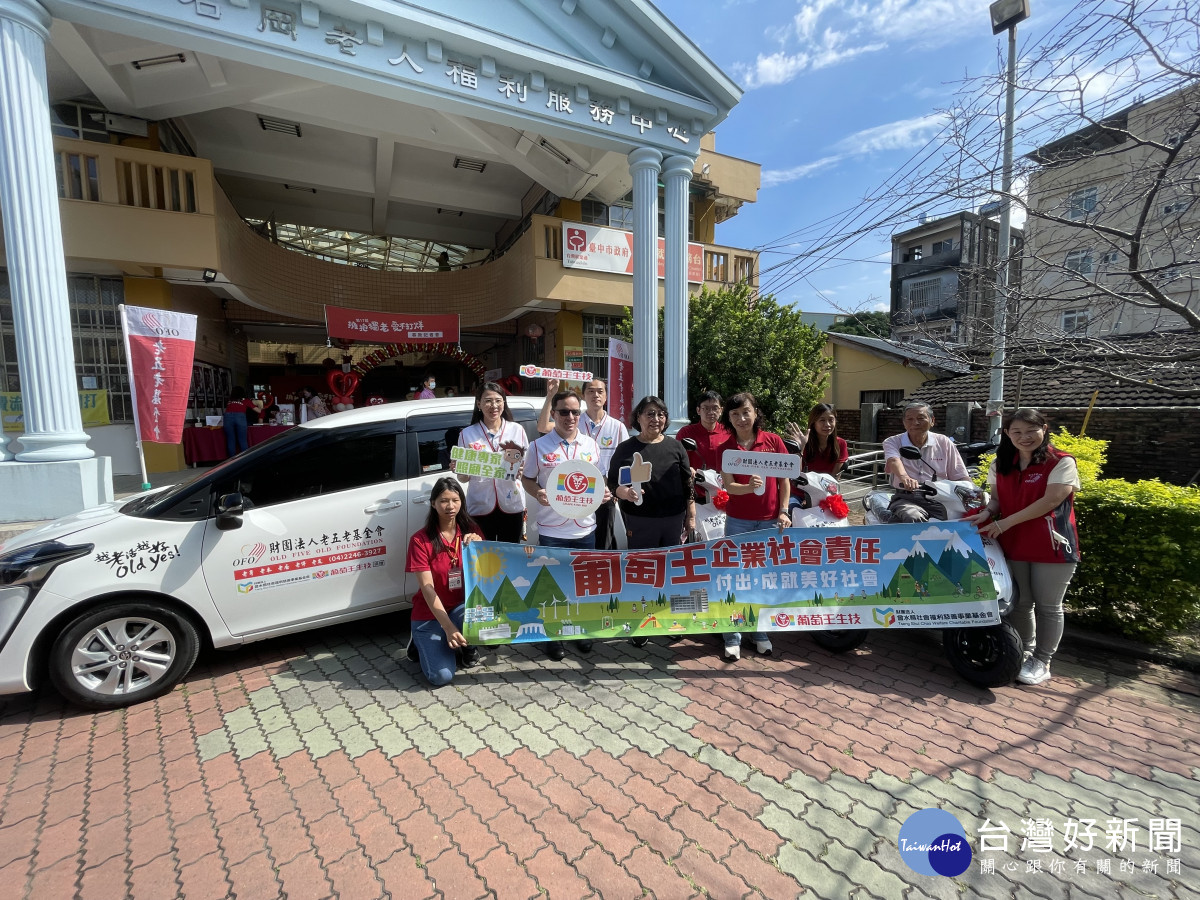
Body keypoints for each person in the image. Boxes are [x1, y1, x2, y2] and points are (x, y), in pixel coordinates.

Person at [968, 409, 1081, 686]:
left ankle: (1043, 661)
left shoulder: (1061, 462)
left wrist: (1005, 523)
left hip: (1051, 544)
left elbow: (1051, 501)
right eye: (1016, 432)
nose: (1024, 437)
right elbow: (996, 500)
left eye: (1031, 431)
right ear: (1007, 434)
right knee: (1020, 603)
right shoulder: (1001, 462)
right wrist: (986, 513)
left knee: (1049, 606)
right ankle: (1025, 652)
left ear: (1044, 429)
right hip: (1013, 542)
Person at [522, 388, 610, 660]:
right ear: (554, 414)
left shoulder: (591, 445)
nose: (570, 417)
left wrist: (604, 492)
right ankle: (553, 635)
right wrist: (537, 492)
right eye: (563, 412)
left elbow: (598, 480)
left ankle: (581, 631)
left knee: (582, 584)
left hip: (585, 527)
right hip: (552, 530)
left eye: (575, 411)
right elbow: (527, 479)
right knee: (552, 586)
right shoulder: (538, 447)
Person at [717, 392, 790, 662]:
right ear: (729, 419)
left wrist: (783, 511)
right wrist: (749, 487)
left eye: (746, 412)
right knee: (734, 577)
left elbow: (784, 482)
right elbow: (729, 485)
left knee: (763, 577)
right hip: (738, 521)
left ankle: (760, 633)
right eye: (735, 415)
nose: (741, 418)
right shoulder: (725, 449)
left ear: (755, 412)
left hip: (770, 519)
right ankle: (732, 637)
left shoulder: (773, 442)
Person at [405, 478, 485, 686]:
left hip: (461, 607)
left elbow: (488, 574)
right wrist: (448, 628)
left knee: (480, 618)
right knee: (441, 676)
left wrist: (481, 549)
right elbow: (428, 589)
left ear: (462, 502)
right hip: (430, 614)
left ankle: (468, 647)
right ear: (433, 503)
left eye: (455, 500)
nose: (450, 506)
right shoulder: (420, 540)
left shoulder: (471, 531)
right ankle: (420, 640)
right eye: (443, 501)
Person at [539, 378, 628, 549]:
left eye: (600, 391)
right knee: (578, 538)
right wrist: (550, 396)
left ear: (606, 396)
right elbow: (543, 426)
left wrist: (617, 489)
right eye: (591, 391)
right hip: (574, 492)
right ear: (583, 396)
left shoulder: (617, 427)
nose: (596, 395)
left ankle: (597, 572)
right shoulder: (573, 420)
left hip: (604, 492)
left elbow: (625, 461)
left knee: (603, 540)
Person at [608, 395, 695, 549]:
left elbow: (687, 482)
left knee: (671, 563)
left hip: (673, 519)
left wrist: (691, 515)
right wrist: (626, 493)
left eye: (661, 414)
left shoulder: (676, 447)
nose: (656, 419)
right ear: (638, 417)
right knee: (643, 566)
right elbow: (613, 483)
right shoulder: (625, 449)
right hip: (639, 520)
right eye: (650, 414)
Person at [457, 382, 529, 543]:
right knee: (483, 556)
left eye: (498, 400)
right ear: (479, 404)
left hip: (512, 504)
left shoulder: (517, 430)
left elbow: (526, 467)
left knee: (510, 554)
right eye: (488, 400)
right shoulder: (467, 434)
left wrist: (522, 471)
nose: (493, 405)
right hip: (480, 506)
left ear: (504, 403)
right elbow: (463, 478)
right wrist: (461, 470)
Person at [883, 401, 969, 522]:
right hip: (908, 497)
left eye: (921, 418)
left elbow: (960, 475)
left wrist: (973, 491)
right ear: (904, 422)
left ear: (932, 420)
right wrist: (905, 477)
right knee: (913, 517)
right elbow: (893, 460)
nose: (915, 423)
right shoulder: (892, 441)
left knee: (963, 519)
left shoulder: (944, 442)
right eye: (910, 419)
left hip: (942, 497)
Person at [785, 403, 849, 476]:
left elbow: (834, 478)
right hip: (801, 486)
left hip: (826, 487)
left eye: (831, 420)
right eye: (822, 420)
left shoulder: (841, 444)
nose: (827, 424)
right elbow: (796, 475)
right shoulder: (803, 442)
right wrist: (800, 448)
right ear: (813, 423)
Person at [676, 390, 730, 474]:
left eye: (715, 408)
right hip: (695, 483)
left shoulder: (729, 432)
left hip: (722, 484)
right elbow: (678, 459)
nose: (711, 412)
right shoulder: (686, 432)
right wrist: (688, 469)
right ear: (698, 410)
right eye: (706, 408)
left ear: (721, 410)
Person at [222, 387, 258, 456]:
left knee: (230, 440)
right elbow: (258, 410)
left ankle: (231, 461)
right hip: (240, 416)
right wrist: (260, 404)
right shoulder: (246, 400)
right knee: (242, 440)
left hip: (228, 416)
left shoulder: (229, 401)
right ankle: (245, 459)